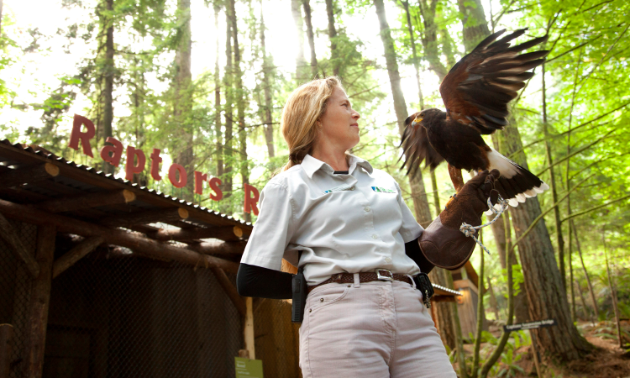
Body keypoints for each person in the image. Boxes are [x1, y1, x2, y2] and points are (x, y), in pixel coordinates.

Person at [237, 77, 499, 378]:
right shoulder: (289, 186)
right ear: (316, 117)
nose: (355, 113)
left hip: (413, 315)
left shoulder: (383, 181)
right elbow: (251, 277)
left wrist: (457, 219)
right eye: (345, 105)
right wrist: (320, 289)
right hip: (338, 321)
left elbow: (417, 256)